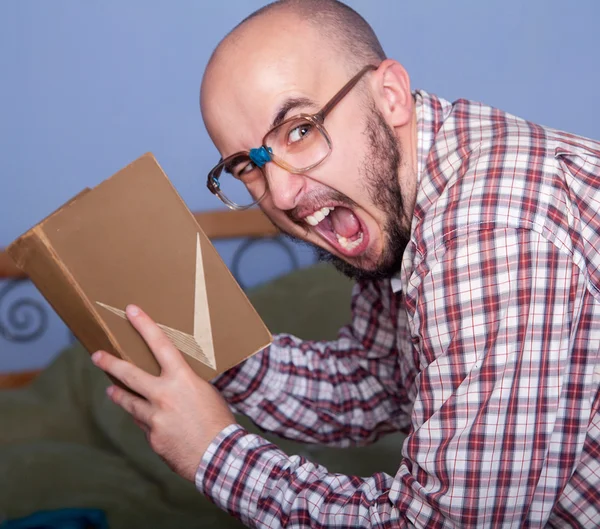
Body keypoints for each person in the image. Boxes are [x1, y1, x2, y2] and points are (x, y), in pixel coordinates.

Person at [91, 0, 600, 527]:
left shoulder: (494, 235)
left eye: (299, 129)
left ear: (391, 96)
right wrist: (208, 350)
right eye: (247, 165)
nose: (282, 194)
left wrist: (213, 454)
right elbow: (373, 382)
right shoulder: (400, 203)